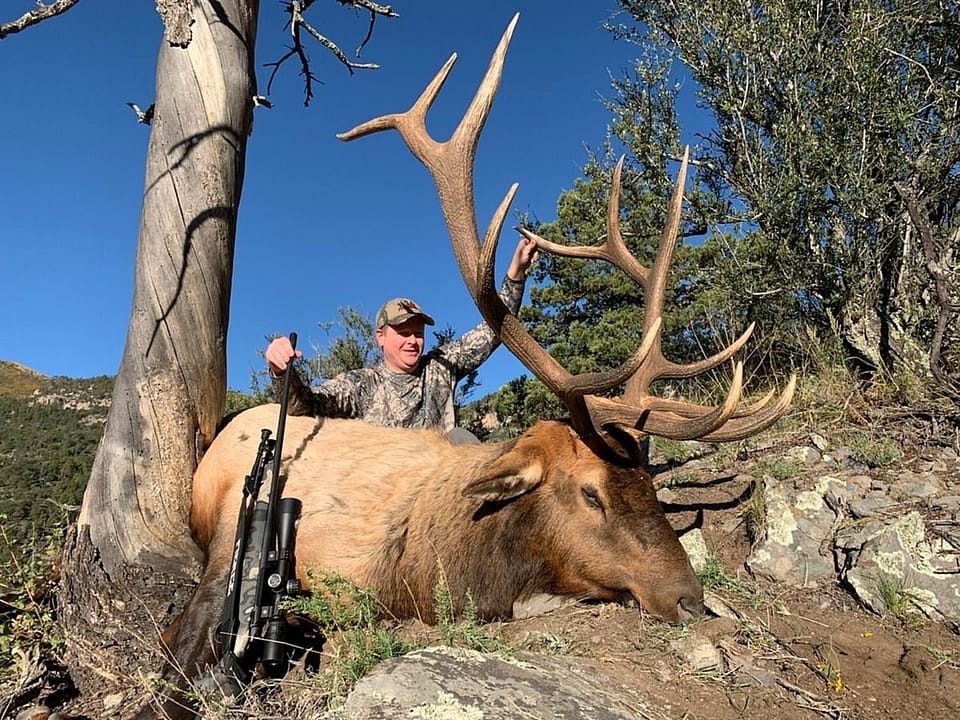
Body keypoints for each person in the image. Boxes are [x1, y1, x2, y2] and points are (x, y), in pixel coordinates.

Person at [264, 236, 538, 433]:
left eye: (418, 333)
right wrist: (281, 370)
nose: (413, 341)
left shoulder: (440, 367)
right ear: (380, 337)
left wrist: (516, 274)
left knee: (462, 441)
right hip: (387, 496)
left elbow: (494, 329)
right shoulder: (361, 385)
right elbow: (304, 407)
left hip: (438, 487)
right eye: (403, 332)